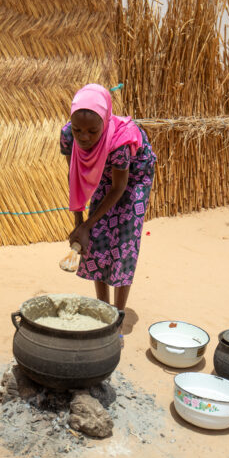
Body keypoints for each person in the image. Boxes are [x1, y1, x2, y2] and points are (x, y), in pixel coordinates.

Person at [60, 83, 156, 311]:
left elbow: (119, 187)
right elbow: (75, 177)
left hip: (133, 179)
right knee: (95, 240)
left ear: (104, 122)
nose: (84, 137)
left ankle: (117, 317)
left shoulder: (120, 143)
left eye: (92, 131)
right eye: (78, 130)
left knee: (124, 243)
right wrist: (80, 226)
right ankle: (104, 309)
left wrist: (87, 225)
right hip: (106, 171)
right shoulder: (68, 136)